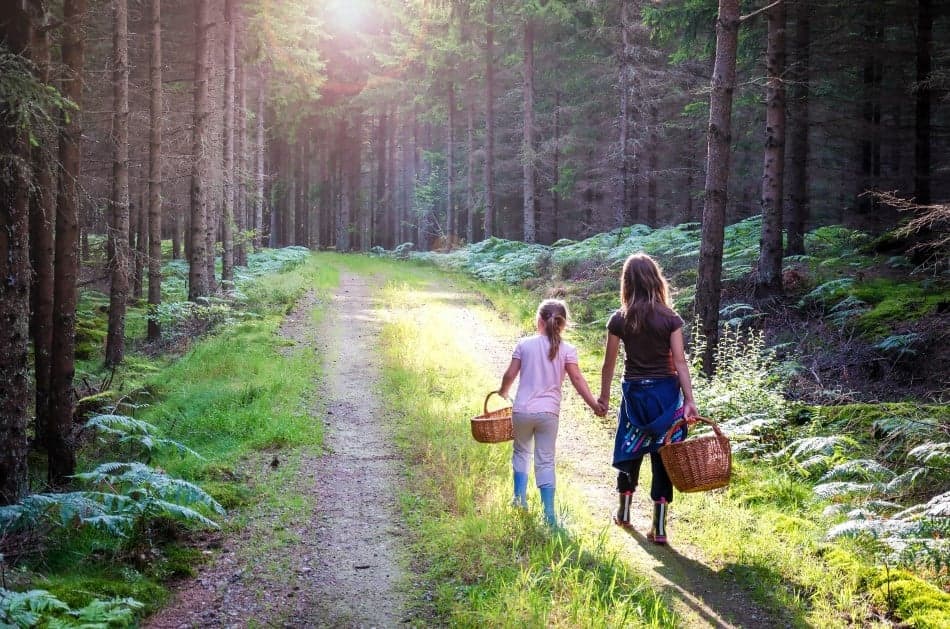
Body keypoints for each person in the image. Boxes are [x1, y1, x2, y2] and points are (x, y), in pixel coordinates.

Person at [598, 253, 698, 544]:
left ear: (627, 282)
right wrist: (689, 400)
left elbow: (609, 364)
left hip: (634, 396)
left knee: (630, 449)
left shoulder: (620, 319)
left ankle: (624, 512)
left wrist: (604, 398)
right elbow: (680, 362)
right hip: (666, 396)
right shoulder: (670, 319)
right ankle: (660, 527)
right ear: (656, 280)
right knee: (664, 455)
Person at [499, 299, 606, 527]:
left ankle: (519, 500)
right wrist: (594, 405)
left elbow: (510, 374)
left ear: (539, 321)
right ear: (563, 324)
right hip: (549, 414)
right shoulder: (567, 350)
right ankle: (549, 515)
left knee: (521, 452)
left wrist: (503, 391)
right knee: (545, 461)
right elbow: (577, 380)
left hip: (522, 411)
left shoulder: (524, 344)